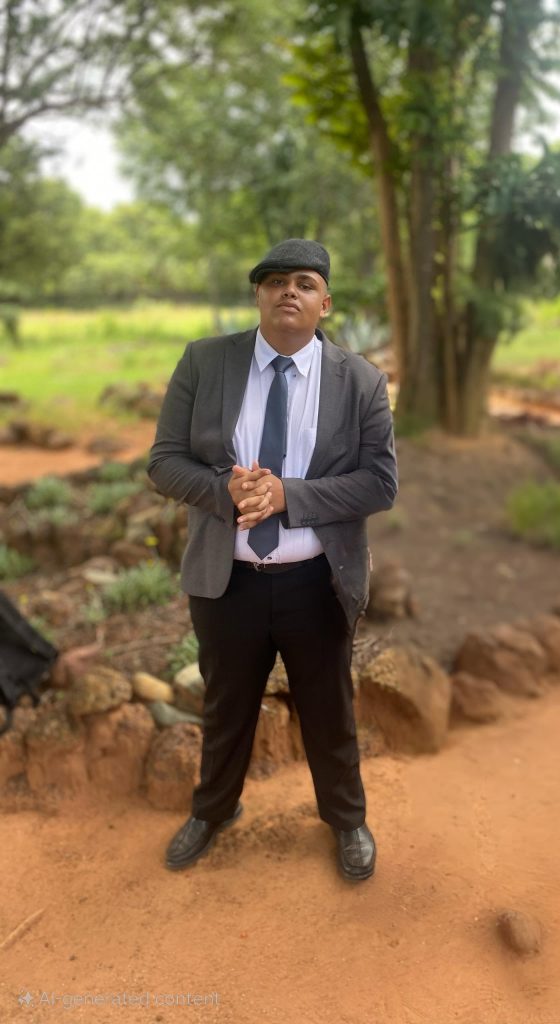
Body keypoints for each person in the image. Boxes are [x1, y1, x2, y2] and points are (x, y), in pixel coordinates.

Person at [147, 238, 398, 880]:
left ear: (325, 303)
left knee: (329, 708)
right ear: (258, 294)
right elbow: (165, 461)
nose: (290, 290)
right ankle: (213, 809)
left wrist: (291, 496)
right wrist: (224, 490)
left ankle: (346, 819)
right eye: (276, 280)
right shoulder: (205, 361)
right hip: (226, 579)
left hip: (317, 581)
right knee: (226, 705)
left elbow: (379, 484)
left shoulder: (361, 381)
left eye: (305, 283)